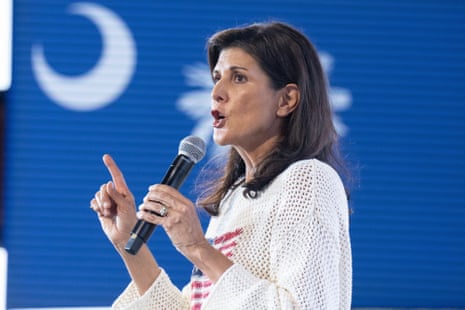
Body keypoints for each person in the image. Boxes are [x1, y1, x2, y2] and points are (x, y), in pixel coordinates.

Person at [90, 21, 352, 309]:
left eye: (238, 78)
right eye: (217, 77)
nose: (216, 92)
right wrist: (129, 243)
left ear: (286, 100)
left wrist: (199, 249)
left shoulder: (309, 180)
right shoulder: (234, 199)